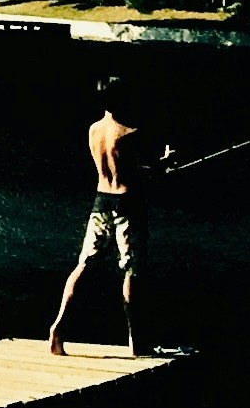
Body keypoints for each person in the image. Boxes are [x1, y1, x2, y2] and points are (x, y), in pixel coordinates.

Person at [47, 82, 170, 357]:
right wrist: (163, 165)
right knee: (132, 271)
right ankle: (137, 342)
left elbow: (115, 167)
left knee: (85, 265)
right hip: (128, 205)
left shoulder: (93, 130)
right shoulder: (131, 133)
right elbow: (141, 172)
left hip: (100, 202)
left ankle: (59, 327)